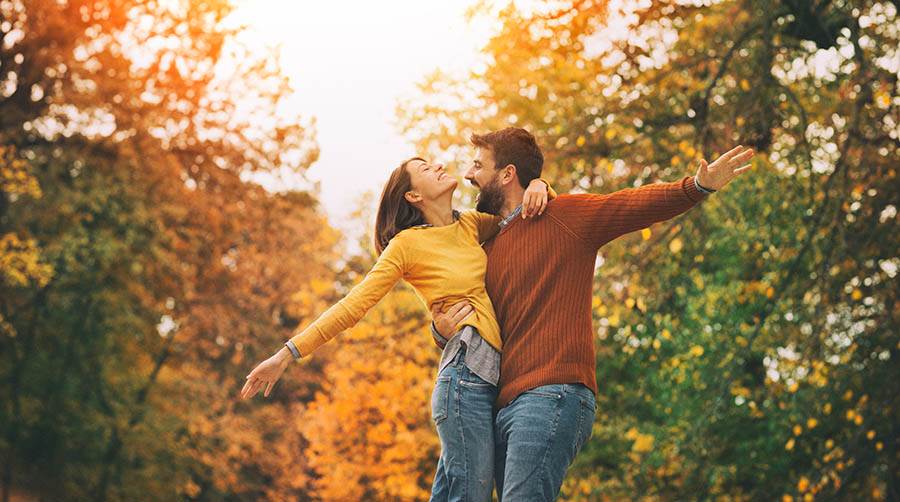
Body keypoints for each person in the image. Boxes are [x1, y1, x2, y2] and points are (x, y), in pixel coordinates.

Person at [430, 127, 754, 501]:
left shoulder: (565, 215)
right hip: (502, 406)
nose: (470, 174)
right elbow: (471, 321)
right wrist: (440, 330)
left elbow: (630, 205)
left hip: (552, 393)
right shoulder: (484, 248)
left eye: (477, 165)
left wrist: (697, 186)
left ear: (507, 174)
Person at [239, 156, 555, 502]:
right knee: (471, 494)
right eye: (424, 169)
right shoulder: (406, 246)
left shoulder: (470, 225)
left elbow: (521, 215)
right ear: (413, 197)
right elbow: (353, 305)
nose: (437, 166)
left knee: (456, 492)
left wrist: (540, 186)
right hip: (464, 380)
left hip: (490, 377)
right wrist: (286, 354)